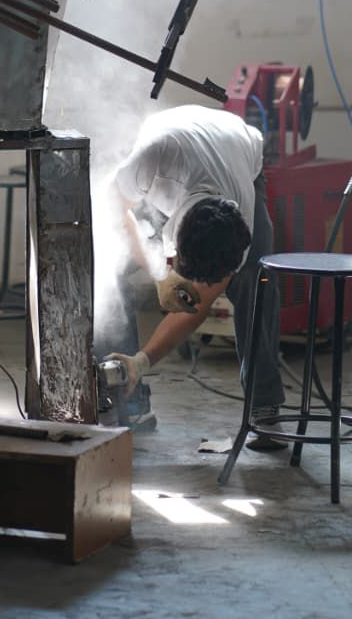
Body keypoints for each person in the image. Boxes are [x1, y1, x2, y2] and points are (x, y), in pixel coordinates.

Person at [98, 104, 285, 447]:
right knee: (107, 266)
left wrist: (143, 360)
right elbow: (114, 205)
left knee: (256, 281)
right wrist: (157, 271)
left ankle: (264, 406)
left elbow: (195, 304)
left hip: (242, 152)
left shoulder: (238, 224)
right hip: (177, 147)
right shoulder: (152, 161)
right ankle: (128, 398)